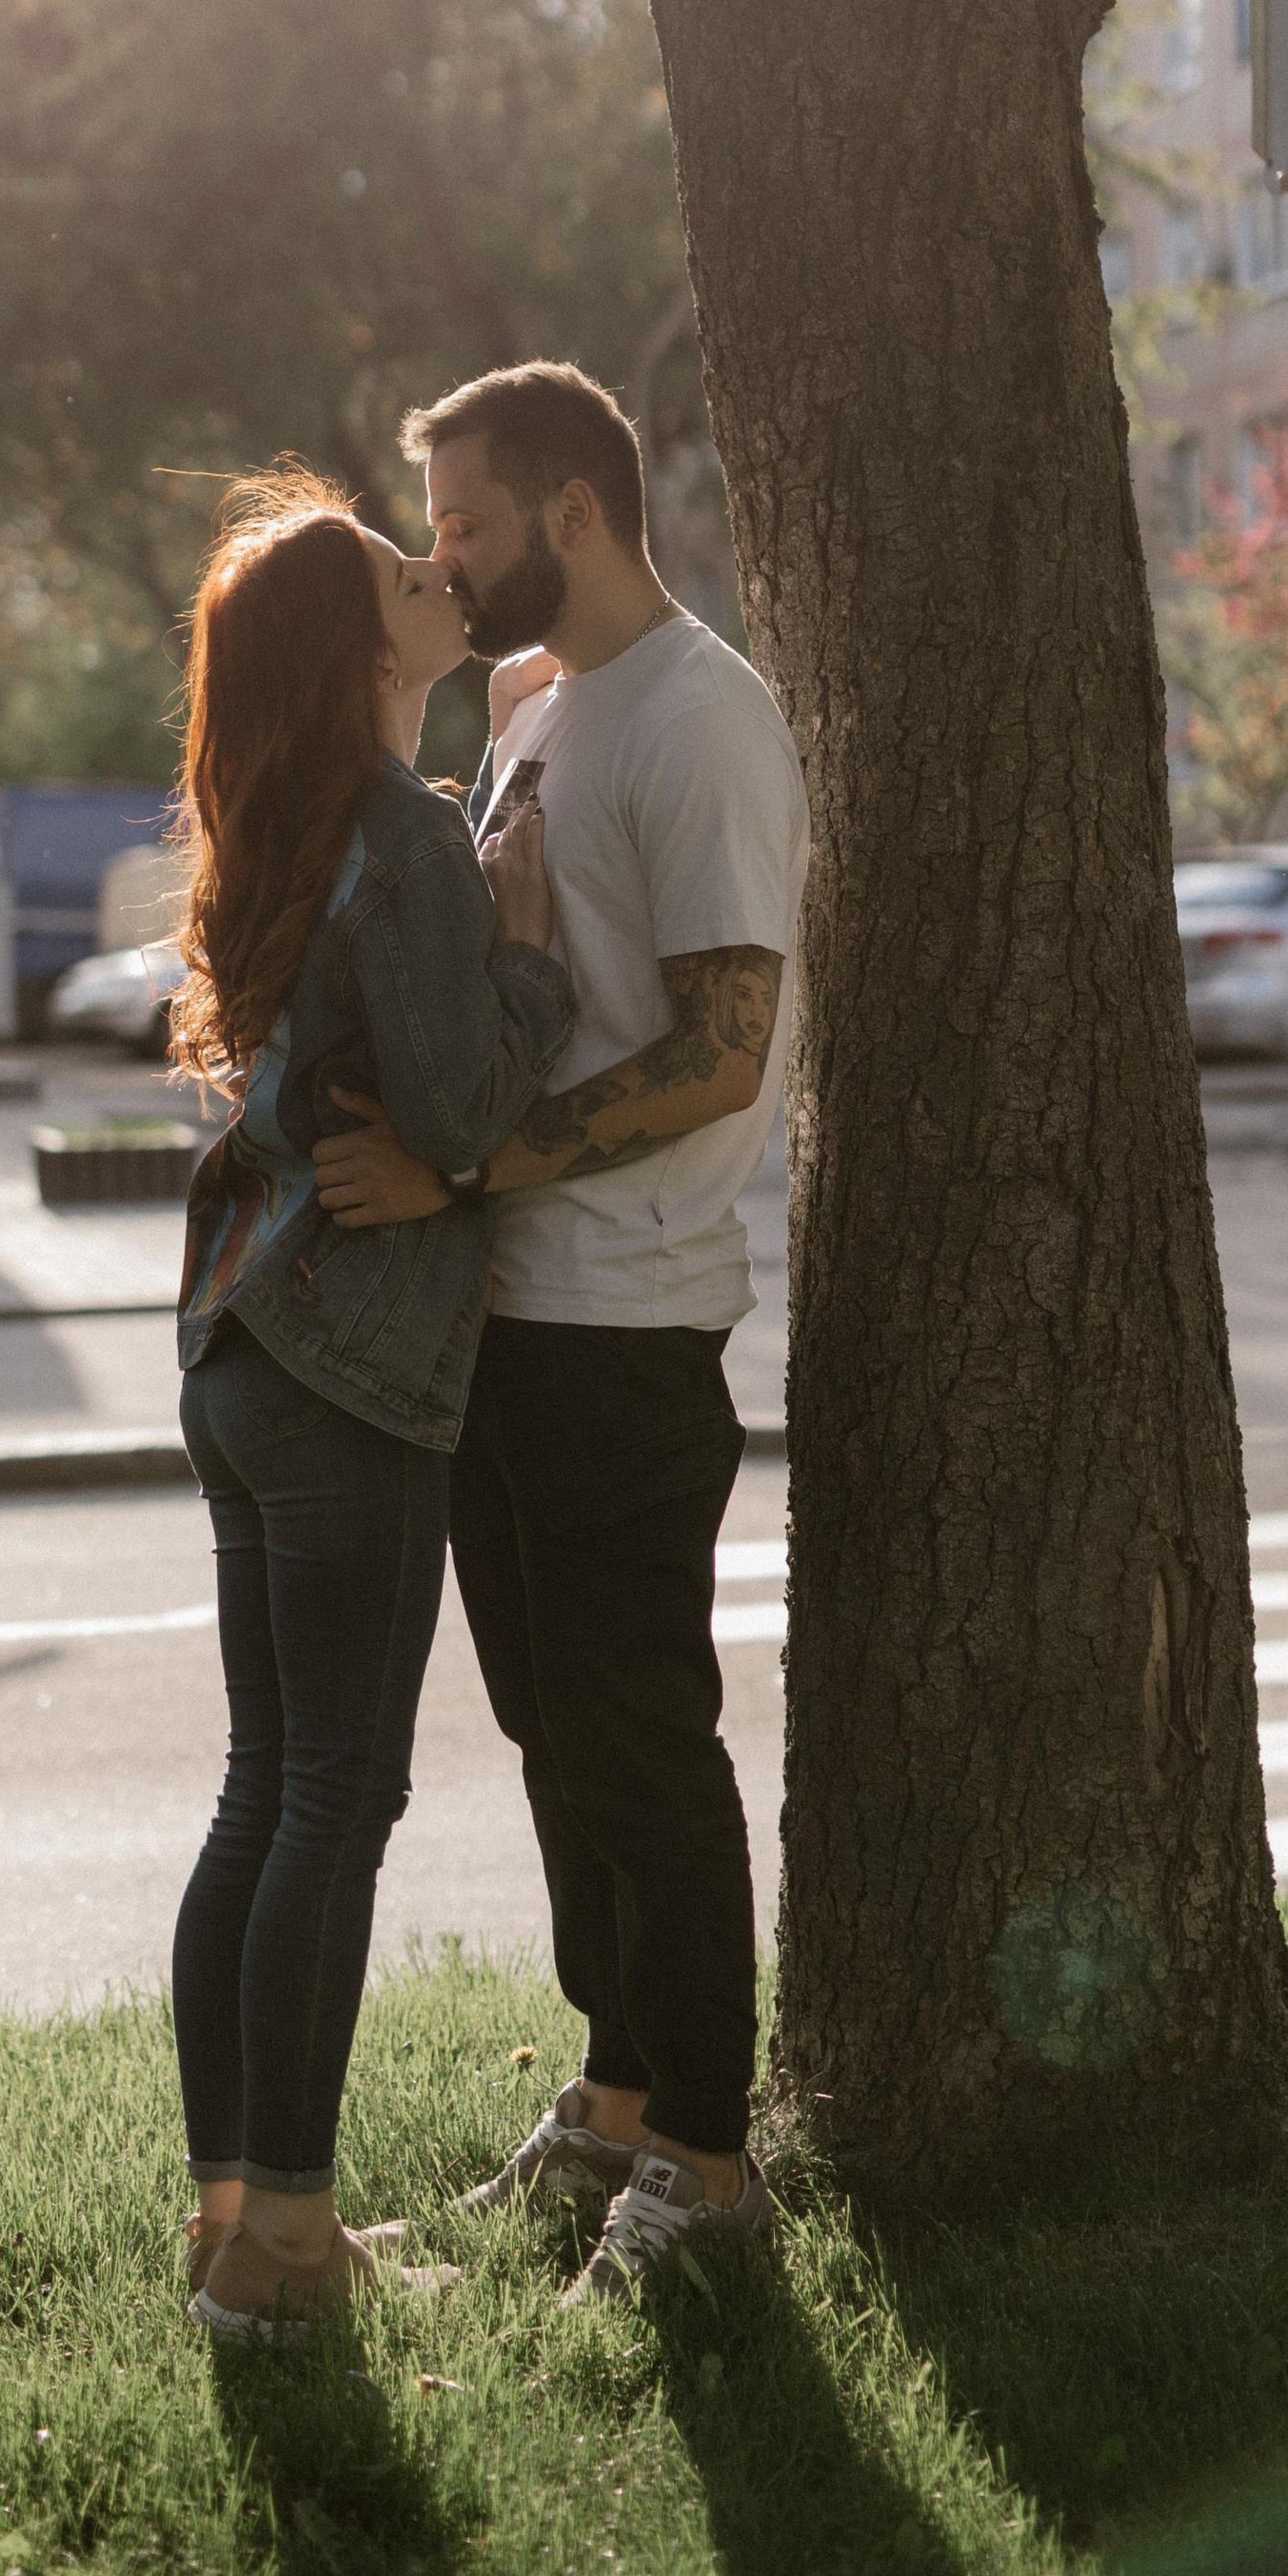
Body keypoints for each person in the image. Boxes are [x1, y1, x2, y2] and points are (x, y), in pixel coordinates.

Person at [313, 362, 809, 2306]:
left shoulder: (700, 719)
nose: (441, 554)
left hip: (619, 1321)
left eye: (465, 524)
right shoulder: (543, 710)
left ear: (575, 512)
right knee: (549, 1733)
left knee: (636, 1734)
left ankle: (704, 2156)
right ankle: (607, 2102)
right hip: (504, 1318)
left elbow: (719, 1048)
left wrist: (469, 1167)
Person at [166, 466, 573, 2343]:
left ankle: (233, 2222)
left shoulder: (279, 820)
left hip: (240, 1354)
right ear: (359, 654)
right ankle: (293, 2260)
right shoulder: (404, 836)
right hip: (346, 1370)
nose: (439, 577)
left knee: (267, 1789)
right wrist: (525, 943)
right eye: (404, 574)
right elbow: (469, 1116)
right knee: (336, 1793)